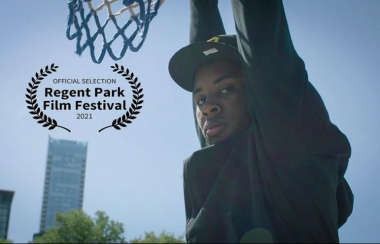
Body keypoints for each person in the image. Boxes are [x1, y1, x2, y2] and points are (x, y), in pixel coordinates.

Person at [168, 0, 354, 243]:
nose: (207, 107)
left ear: (258, 90)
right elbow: (204, 42)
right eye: (200, 99)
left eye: (226, 89)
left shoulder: (288, 146)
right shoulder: (216, 169)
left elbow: (261, 36)